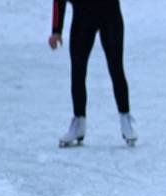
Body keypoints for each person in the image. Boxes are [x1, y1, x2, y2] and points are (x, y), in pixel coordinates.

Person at [48, 0, 137, 147]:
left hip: (110, 14)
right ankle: (79, 122)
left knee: (116, 67)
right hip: (83, 16)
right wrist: (56, 30)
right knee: (78, 69)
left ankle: (125, 118)